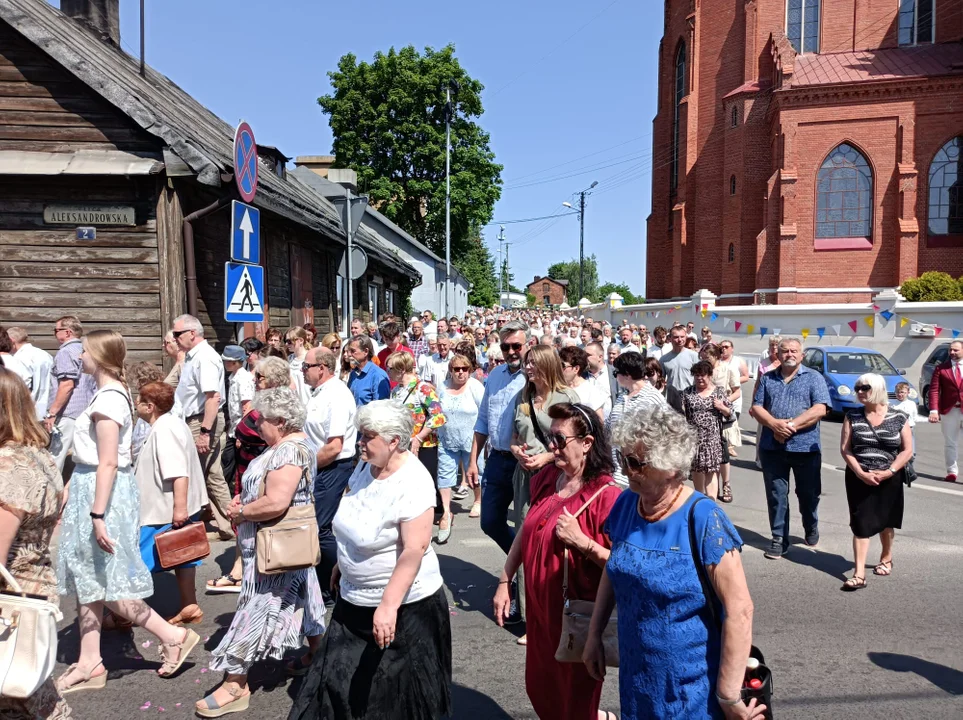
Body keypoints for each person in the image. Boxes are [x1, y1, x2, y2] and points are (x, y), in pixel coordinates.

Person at [586, 403, 763, 720]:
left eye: (635, 463)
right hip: (636, 677)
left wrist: (728, 695)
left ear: (669, 467)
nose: (626, 470)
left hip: (691, 688)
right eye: (623, 459)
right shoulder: (627, 504)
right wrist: (593, 636)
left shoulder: (705, 518)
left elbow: (740, 610)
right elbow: (612, 572)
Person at [289, 400, 452, 720]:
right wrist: (345, 561)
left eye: (367, 436)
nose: (359, 443)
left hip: (404, 609)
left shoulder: (414, 481)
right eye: (360, 435)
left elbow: (413, 550)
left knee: (388, 701)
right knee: (337, 687)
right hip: (353, 597)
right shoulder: (365, 465)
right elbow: (356, 516)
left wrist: (389, 605)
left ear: (394, 441)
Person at [57, 330, 199, 694]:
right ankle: (90, 660)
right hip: (94, 488)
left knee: (106, 581)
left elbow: (107, 463)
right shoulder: (109, 394)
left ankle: (171, 634)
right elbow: (96, 462)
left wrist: (96, 514)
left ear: (99, 357)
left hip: (102, 494)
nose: (79, 358)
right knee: (91, 579)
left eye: (85, 352)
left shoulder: (109, 398)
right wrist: (73, 490)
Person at [198, 388, 326, 716]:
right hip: (284, 544)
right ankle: (320, 656)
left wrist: (242, 512)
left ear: (280, 422)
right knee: (307, 598)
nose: (257, 427)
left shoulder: (289, 451)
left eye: (262, 421)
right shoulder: (287, 447)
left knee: (253, 611)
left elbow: (277, 502)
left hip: (275, 548)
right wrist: (246, 502)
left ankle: (235, 683)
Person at [493, 403, 620, 720]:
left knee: (573, 701)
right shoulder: (548, 477)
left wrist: (582, 541)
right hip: (540, 615)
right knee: (540, 689)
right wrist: (505, 579)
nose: (552, 446)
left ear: (587, 443)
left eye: (560, 439)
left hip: (575, 621)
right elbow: (527, 528)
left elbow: (622, 566)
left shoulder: (607, 496)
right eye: (550, 437)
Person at [0, 368, 72, 719]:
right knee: (29, 689)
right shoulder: (38, 455)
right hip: (34, 588)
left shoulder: (8, 466)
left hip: (9, 601)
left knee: (23, 693)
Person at [468, 321, 530, 624]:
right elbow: (482, 421)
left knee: (521, 528)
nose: (510, 352)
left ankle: (522, 586)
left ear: (527, 345)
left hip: (524, 464)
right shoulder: (494, 375)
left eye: (516, 346)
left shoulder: (534, 376)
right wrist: (472, 461)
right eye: (505, 346)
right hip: (496, 459)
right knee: (490, 521)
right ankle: (524, 562)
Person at [133, 381, 208, 625]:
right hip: (172, 506)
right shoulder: (174, 424)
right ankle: (189, 605)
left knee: (134, 564)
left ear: (150, 406)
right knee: (184, 554)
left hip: (163, 511)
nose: (135, 404)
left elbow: (177, 472)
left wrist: (179, 509)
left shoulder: (164, 429)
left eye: (139, 400)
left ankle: (124, 614)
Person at [750, 337, 830, 559]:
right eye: (785, 351)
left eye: (794, 351)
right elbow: (756, 407)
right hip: (772, 447)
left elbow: (820, 409)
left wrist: (790, 426)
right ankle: (778, 538)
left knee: (808, 495)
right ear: (778, 354)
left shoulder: (814, 378)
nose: (789, 354)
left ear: (802, 355)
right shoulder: (768, 378)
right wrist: (775, 425)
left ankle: (810, 524)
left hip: (805, 448)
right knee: (777, 495)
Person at [839, 373, 913, 591]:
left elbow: (907, 450)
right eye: (858, 388)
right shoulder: (852, 416)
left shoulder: (898, 417)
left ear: (878, 389)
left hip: (890, 476)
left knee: (886, 521)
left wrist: (889, 471)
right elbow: (846, 449)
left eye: (865, 388)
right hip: (858, 476)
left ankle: (886, 557)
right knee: (861, 522)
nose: (860, 392)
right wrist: (861, 473)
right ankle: (859, 574)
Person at [302, 346, 357, 605]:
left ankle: (331, 589)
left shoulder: (335, 395)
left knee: (323, 529)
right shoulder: (319, 392)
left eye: (306, 366)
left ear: (321, 368)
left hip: (333, 468)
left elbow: (334, 446)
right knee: (320, 527)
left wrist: (307, 470)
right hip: (321, 467)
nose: (302, 370)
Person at [170, 314, 233, 541]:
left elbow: (213, 397)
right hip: (196, 419)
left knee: (195, 474)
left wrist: (205, 432)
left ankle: (191, 527)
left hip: (201, 421)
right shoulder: (192, 357)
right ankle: (230, 525)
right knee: (212, 474)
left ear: (192, 333)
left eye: (177, 334)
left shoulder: (204, 357)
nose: (174, 338)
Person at [386, 352, 449, 536]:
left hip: (424, 446)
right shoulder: (396, 391)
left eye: (390, 368)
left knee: (424, 489)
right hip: (402, 447)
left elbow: (438, 417)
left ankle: (434, 521)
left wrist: (419, 437)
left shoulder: (423, 389)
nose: (387, 372)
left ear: (402, 369)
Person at [43, 316, 96, 474]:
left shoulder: (66, 352)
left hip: (67, 413)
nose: (54, 333)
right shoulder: (85, 350)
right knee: (80, 457)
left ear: (67, 332)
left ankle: (53, 495)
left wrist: (52, 413)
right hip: (84, 411)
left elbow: (66, 384)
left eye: (56, 330)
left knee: (55, 458)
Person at [606, 351, 667, 486]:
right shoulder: (622, 397)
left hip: (642, 474)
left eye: (616, 373)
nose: (615, 376)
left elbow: (663, 435)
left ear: (627, 375)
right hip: (618, 471)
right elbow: (609, 427)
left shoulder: (653, 398)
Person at [438, 351, 486, 524]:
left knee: (476, 473)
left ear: (470, 370)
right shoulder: (442, 387)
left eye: (464, 369)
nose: (460, 372)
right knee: (444, 474)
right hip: (447, 439)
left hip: (471, 440)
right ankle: (446, 510)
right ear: (451, 370)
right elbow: (436, 411)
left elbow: (484, 413)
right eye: (456, 369)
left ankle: (478, 501)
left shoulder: (476, 387)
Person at [682, 361, 733, 501]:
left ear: (710, 375)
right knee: (697, 471)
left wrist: (722, 408)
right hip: (694, 439)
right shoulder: (688, 392)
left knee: (711, 471)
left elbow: (731, 414)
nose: (699, 378)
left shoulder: (718, 392)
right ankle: (699, 500)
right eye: (696, 375)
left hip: (712, 439)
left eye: (702, 375)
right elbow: (683, 414)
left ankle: (711, 502)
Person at [927, 339, 963, 482]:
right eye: (950, 350)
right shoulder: (941, 368)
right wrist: (933, 410)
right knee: (950, 442)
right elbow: (934, 390)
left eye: (956, 350)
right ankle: (952, 472)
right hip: (949, 410)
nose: (952, 353)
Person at [222, 345, 255, 492]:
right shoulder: (233, 377)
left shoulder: (243, 379)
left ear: (235, 362)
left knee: (236, 464)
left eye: (227, 361)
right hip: (233, 429)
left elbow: (246, 406)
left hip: (240, 431)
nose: (225, 364)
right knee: (228, 462)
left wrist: (241, 435)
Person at [7, 326, 53, 419]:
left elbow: (21, 386)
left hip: (28, 412)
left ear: (11, 341)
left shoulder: (20, 359)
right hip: (47, 409)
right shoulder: (45, 354)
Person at [559, 345, 607, 421]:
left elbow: (599, 421)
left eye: (562, 365)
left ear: (576, 369)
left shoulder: (590, 391)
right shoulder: (556, 388)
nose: (558, 369)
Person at [347, 334, 390, 407]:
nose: (348, 354)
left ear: (365, 352)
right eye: (348, 351)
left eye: (352, 351)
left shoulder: (378, 376)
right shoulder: (354, 373)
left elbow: (381, 408)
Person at [660, 326, 700, 393]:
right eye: (676, 337)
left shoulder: (694, 356)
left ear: (686, 337)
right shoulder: (664, 359)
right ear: (670, 338)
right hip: (672, 398)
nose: (680, 340)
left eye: (682, 337)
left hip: (690, 396)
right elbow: (660, 381)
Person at [584, 341, 615, 418]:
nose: (585, 358)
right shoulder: (582, 376)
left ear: (600, 357)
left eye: (588, 355)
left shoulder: (614, 374)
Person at [285, 326, 313, 406]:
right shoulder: (289, 359)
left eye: (290, 341)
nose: (287, 344)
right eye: (286, 341)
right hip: (293, 403)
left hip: (308, 401)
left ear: (300, 340)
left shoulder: (310, 358)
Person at [891, 381, 918, 458]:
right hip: (895, 430)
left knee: (910, 451)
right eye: (897, 392)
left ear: (908, 392)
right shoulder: (891, 404)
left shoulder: (911, 404)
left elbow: (914, 417)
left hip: (909, 428)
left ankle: (910, 462)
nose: (900, 394)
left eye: (902, 392)